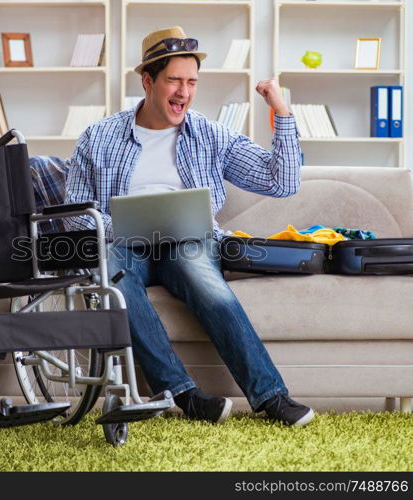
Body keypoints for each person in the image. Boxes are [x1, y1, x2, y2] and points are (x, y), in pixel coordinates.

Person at [64, 26, 315, 427]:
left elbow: (282, 182)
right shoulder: (99, 137)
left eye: (191, 82)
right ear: (148, 80)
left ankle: (271, 397)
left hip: (189, 242)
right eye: (174, 81)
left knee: (204, 279)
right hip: (122, 243)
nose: (184, 92)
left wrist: (280, 112)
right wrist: (121, 226)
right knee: (113, 276)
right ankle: (183, 393)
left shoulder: (210, 134)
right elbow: (75, 213)